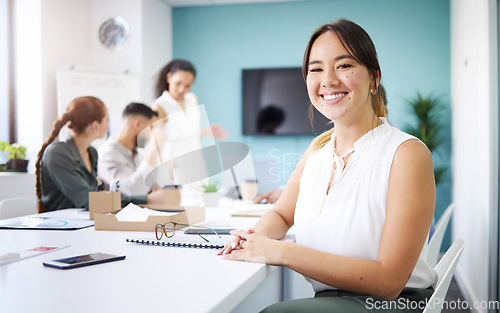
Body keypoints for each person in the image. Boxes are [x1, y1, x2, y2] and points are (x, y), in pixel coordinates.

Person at [220, 19, 437, 312]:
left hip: (391, 302)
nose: (329, 80)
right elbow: (283, 215)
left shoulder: (407, 153)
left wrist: (281, 251)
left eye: (344, 66)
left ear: (374, 77)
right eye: (316, 69)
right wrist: (252, 239)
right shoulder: (318, 149)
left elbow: (390, 280)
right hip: (334, 299)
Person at [35, 96, 168, 213]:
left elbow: (99, 195)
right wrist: (146, 200)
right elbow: (89, 199)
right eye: (107, 120)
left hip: (85, 223)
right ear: (95, 126)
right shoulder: (57, 154)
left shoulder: (92, 153)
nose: (109, 125)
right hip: (62, 227)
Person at [152, 59, 229, 161]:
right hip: (174, 163)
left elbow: (188, 135)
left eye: (187, 86)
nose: (181, 89)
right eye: (178, 83)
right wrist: (165, 161)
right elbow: (155, 143)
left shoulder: (192, 98)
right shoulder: (160, 106)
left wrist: (205, 131)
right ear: (169, 77)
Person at [98, 102, 165, 196]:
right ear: (137, 124)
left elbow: (147, 187)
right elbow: (133, 191)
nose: (151, 137)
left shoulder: (135, 154)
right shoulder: (108, 154)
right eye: (151, 128)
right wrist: (154, 148)